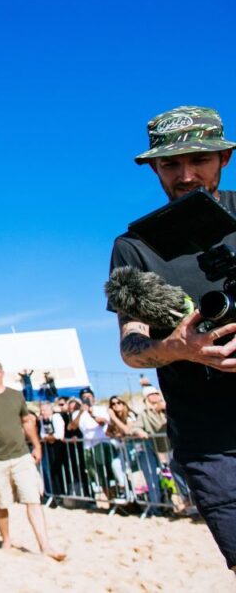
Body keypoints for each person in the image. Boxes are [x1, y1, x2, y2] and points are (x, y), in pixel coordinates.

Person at [109, 106, 236, 572]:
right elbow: (131, 345)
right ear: (155, 168)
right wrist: (176, 349)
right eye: (170, 164)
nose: (186, 175)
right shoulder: (136, 247)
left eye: (199, 159)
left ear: (224, 157)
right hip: (212, 443)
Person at [0, 360, 65, 561]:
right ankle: (7, 539)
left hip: (21, 455)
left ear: (2, 373)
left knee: (33, 499)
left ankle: (45, 544)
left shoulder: (15, 395)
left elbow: (27, 422)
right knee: (1, 501)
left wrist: (36, 445)